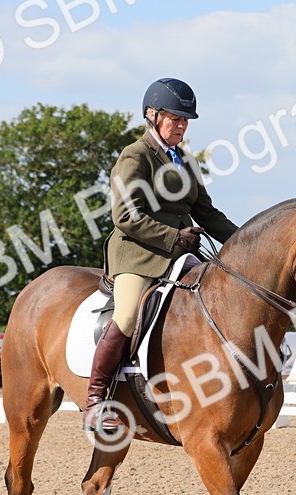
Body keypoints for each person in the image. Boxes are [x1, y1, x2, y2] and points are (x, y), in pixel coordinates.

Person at [84, 78, 240, 432]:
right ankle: (95, 399)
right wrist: (173, 237)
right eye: (175, 119)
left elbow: (207, 213)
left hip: (181, 252)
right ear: (152, 116)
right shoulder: (135, 156)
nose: (181, 126)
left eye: (185, 121)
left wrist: (244, 243)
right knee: (126, 314)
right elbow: (126, 216)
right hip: (137, 254)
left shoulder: (185, 160)